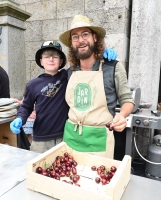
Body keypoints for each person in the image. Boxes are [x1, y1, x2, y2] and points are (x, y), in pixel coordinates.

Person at [59, 15, 134, 159]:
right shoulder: (70, 72)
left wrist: (122, 115)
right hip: (71, 138)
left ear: (94, 37)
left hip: (98, 140)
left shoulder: (113, 68)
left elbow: (127, 100)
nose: (80, 40)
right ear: (71, 43)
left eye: (85, 34)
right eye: (75, 37)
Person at [10, 41, 69, 153]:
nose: (51, 59)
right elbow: (26, 107)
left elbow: (83, 63)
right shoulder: (33, 84)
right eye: (46, 56)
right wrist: (20, 118)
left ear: (61, 61)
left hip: (64, 136)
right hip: (41, 138)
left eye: (55, 57)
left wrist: (102, 56)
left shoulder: (66, 76)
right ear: (41, 61)